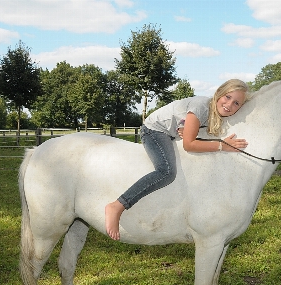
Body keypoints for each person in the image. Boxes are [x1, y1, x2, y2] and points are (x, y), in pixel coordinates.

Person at [105, 79, 250, 240]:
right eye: (227, 97)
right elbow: (189, 144)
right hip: (155, 130)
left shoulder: (215, 113)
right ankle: (118, 205)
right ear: (219, 93)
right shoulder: (201, 106)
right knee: (166, 171)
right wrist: (222, 146)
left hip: (170, 132)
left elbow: (196, 134)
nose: (229, 105)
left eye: (236, 103)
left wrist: (188, 130)